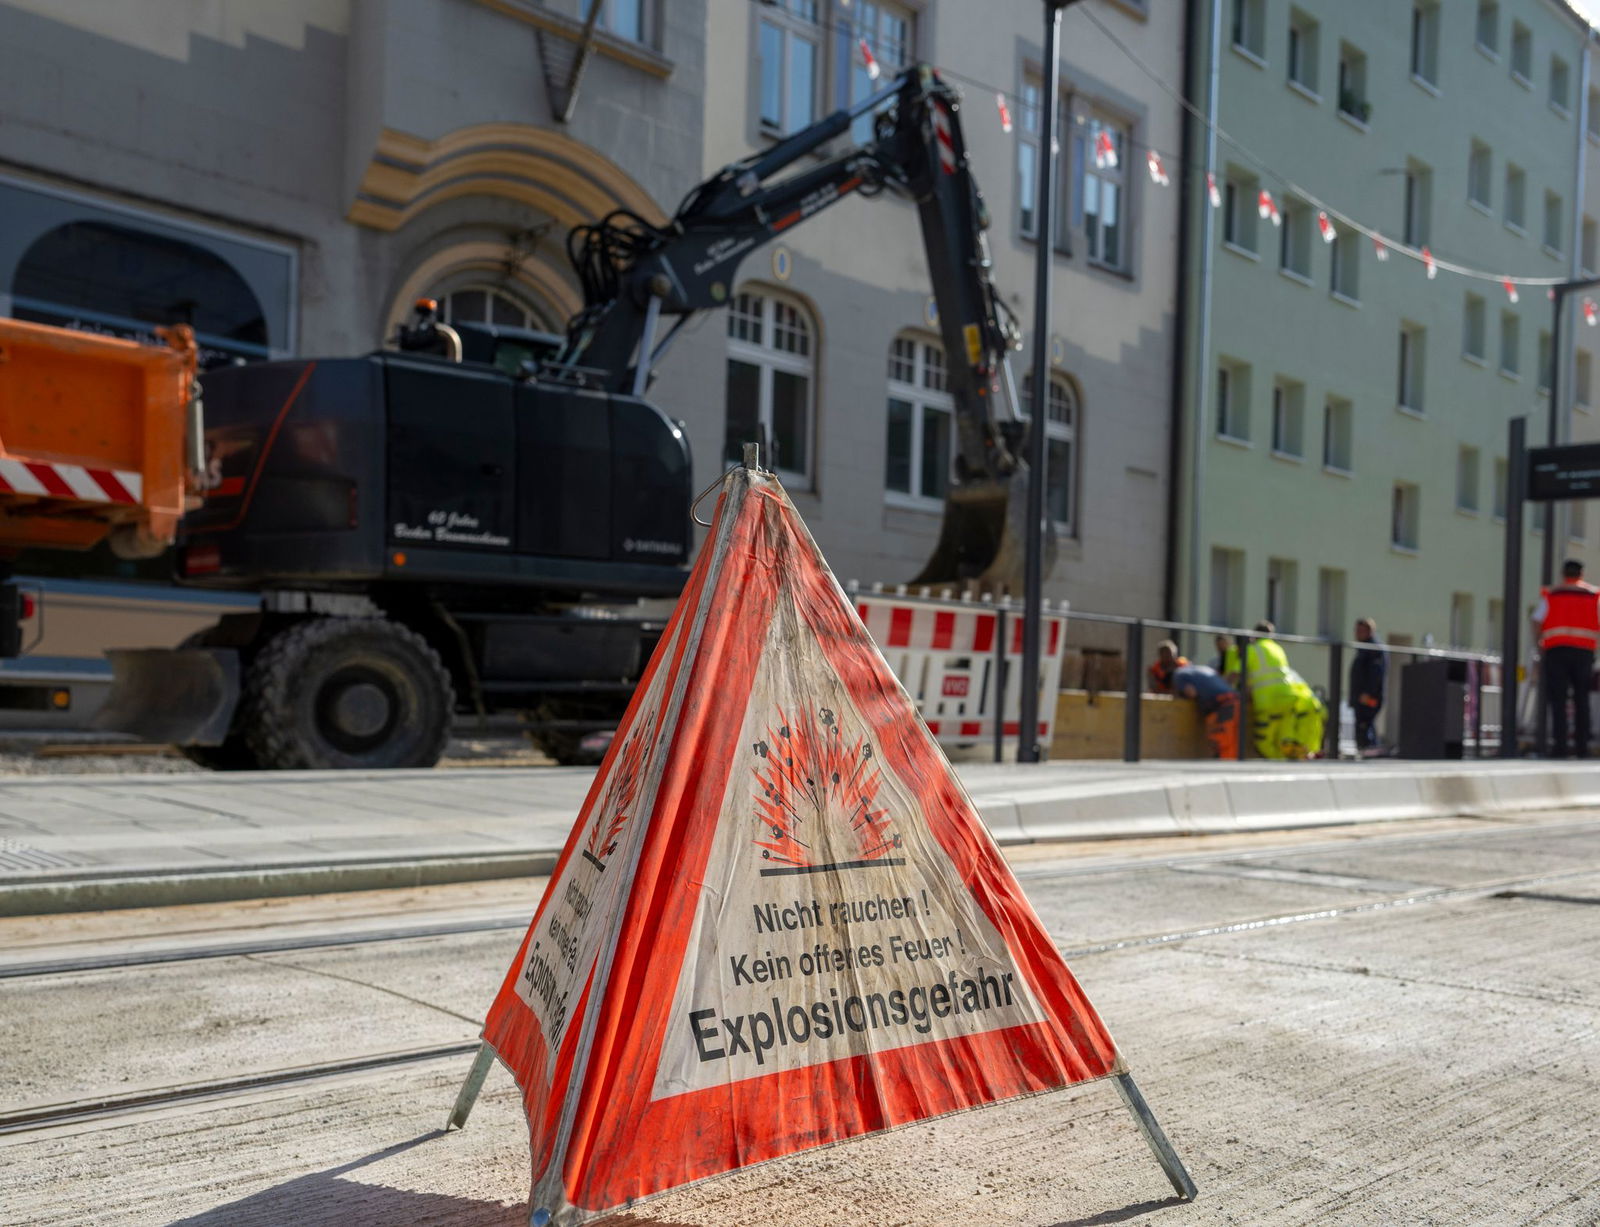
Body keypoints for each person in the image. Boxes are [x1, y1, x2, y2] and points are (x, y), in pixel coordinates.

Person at [1223, 620, 1326, 760]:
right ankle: (1300, 755)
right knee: (1284, 739)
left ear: (1255, 635)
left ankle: (1280, 763)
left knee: (1263, 741)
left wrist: (1220, 686)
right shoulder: (1278, 649)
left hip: (1267, 701)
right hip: (1287, 697)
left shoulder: (1252, 650)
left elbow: (1235, 674)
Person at [1533, 559, 1600, 758]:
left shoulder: (1553, 594)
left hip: (1556, 651)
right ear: (1581, 574)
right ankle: (1582, 748)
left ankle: (1560, 747)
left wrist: (1539, 642)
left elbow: (1537, 620)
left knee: (1558, 700)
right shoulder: (1593, 595)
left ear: (1563, 574)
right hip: (1584, 653)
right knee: (1582, 700)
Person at [1149, 640, 1238, 759]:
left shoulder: (1178, 676)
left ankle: (1224, 770)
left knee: (1221, 738)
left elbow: (1191, 693)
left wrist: (1181, 695)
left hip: (1222, 704)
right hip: (1233, 699)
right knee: (1230, 739)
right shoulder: (1195, 668)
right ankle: (1227, 767)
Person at [1349, 617, 1387, 756]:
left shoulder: (1373, 648)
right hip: (1361, 696)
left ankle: (1369, 753)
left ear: (1369, 631)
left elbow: (1376, 674)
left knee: (1365, 724)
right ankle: (1366, 752)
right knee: (1363, 724)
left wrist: (1368, 693)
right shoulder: (1364, 648)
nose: (1357, 633)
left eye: (1360, 630)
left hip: (1368, 697)